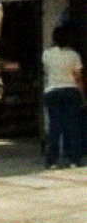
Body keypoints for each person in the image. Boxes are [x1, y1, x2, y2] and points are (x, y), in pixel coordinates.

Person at [42, 22, 85, 168]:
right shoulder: (74, 55)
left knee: (55, 126)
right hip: (70, 91)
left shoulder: (46, 54)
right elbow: (78, 77)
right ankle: (74, 159)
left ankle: (52, 160)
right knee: (72, 126)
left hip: (52, 91)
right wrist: (83, 95)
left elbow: (46, 71)